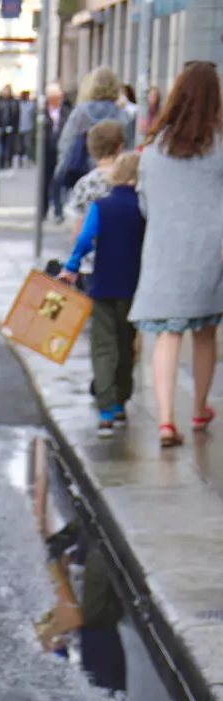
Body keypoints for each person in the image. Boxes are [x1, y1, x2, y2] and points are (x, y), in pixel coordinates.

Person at [129, 59, 223, 446]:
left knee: (167, 335)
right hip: (210, 252)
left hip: (164, 250)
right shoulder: (219, 146)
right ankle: (199, 408)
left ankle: (166, 420)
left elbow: (145, 205)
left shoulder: (153, 150)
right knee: (205, 332)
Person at [60, 151, 145, 435]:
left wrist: (71, 265)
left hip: (103, 284)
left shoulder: (101, 206)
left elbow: (85, 239)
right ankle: (121, 400)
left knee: (103, 345)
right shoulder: (144, 207)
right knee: (126, 344)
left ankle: (106, 408)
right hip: (134, 287)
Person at [65, 119, 127, 281]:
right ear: (120, 147)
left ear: (91, 150)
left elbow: (78, 231)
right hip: (125, 261)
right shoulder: (129, 181)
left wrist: (73, 262)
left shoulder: (85, 184)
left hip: (91, 264)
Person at [55, 66, 134, 191]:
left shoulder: (81, 112)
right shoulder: (123, 115)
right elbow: (129, 148)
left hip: (80, 174)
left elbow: (66, 144)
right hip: (113, 177)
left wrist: (60, 172)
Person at [43, 83, 67, 220]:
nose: (58, 100)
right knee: (45, 182)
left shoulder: (65, 112)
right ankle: (43, 211)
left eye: (59, 97)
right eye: (55, 97)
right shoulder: (43, 112)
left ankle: (58, 210)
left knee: (58, 180)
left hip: (60, 151)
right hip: (46, 151)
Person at [0, 83, 19, 168]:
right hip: (0, 126)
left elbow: (16, 115)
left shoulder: (14, 102)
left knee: (9, 145)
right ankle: (0, 163)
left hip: (11, 126)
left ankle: (8, 162)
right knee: (1, 145)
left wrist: (15, 127)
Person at [17, 89, 35, 163]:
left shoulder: (31, 104)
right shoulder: (19, 104)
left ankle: (28, 158)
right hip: (19, 127)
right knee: (20, 145)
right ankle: (20, 159)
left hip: (28, 127)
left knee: (28, 144)